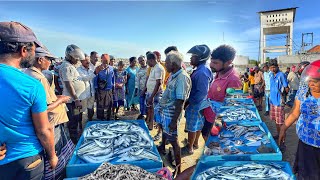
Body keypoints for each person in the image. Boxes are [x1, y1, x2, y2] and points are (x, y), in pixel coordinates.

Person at [0, 21, 57, 179]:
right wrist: (52, 156)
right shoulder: (31, 85)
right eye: (33, 48)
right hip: (27, 160)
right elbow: (43, 131)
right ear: (24, 50)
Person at [24, 46, 73, 180]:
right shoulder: (39, 78)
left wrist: (56, 97)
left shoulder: (28, 74)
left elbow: (41, 100)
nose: (50, 63)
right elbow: (44, 108)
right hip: (50, 124)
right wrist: (61, 100)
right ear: (40, 60)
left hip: (46, 123)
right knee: (55, 156)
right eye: (48, 60)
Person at [278, 60, 320, 179]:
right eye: (310, 80)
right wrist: (283, 128)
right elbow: (295, 112)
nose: (311, 84)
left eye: (315, 82)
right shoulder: (304, 90)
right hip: (306, 143)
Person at [155, 51, 191, 175]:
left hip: (171, 114)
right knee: (166, 134)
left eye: (167, 62)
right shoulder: (173, 74)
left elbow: (180, 102)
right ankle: (163, 148)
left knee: (174, 141)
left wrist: (174, 121)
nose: (165, 64)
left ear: (173, 64)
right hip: (165, 111)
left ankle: (178, 170)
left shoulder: (182, 77)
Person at [202, 45, 242, 141]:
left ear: (229, 62)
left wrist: (218, 122)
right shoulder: (219, 71)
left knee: (214, 143)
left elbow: (233, 107)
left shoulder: (233, 80)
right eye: (211, 61)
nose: (211, 65)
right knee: (205, 137)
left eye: (215, 63)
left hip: (218, 121)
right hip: (208, 115)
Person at [183, 45, 213, 155]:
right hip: (200, 103)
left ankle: (189, 148)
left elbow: (202, 92)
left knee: (192, 126)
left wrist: (189, 102)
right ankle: (195, 143)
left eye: (193, 56)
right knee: (198, 124)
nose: (191, 58)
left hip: (196, 103)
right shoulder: (202, 69)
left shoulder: (202, 72)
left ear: (200, 58)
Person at [59, 44, 86, 144]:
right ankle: (74, 142)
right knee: (73, 122)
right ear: (70, 57)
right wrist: (76, 99)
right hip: (72, 101)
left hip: (75, 100)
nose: (78, 61)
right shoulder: (66, 67)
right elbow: (68, 84)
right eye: (76, 59)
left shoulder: (70, 66)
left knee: (77, 118)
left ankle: (77, 137)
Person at [269, 59, 289, 139]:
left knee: (280, 123)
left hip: (279, 102)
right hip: (272, 102)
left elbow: (286, 88)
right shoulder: (271, 74)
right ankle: (278, 135)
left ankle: (283, 141)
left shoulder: (281, 75)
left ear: (277, 66)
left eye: (274, 67)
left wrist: (283, 97)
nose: (272, 69)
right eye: (271, 67)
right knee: (276, 121)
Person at [146, 53, 165, 134]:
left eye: (147, 61)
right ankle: (150, 121)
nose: (147, 63)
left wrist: (152, 96)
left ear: (151, 60)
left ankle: (152, 125)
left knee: (155, 109)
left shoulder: (158, 68)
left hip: (155, 94)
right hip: (151, 92)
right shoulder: (154, 67)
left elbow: (158, 83)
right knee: (150, 108)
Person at [94, 54, 115, 120]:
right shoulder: (98, 68)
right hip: (101, 90)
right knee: (100, 105)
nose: (106, 62)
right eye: (104, 61)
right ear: (101, 60)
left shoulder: (111, 68)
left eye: (107, 61)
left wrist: (113, 88)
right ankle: (100, 118)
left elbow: (113, 78)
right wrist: (96, 90)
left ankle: (108, 118)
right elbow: (95, 79)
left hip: (109, 89)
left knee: (109, 105)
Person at [77, 55, 96, 123]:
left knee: (91, 109)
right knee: (81, 110)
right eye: (85, 60)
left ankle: (90, 121)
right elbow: (84, 79)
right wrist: (95, 73)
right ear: (81, 61)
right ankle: (79, 124)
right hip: (83, 94)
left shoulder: (91, 68)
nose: (88, 61)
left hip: (92, 92)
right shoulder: (78, 70)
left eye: (88, 60)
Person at [135, 55, 148, 120]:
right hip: (141, 88)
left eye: (142, 60)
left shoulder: (149, 68)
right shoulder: (138, 69)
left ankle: (147, 116)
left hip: (149, 89)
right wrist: (136, 89)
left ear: (145, 60)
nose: (142, 62)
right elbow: (137, 80)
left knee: (148, 103)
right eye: (140, 61)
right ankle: (142, 114)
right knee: (141, 102)